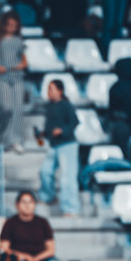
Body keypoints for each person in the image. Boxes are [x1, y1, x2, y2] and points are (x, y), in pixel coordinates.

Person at [0, 10, 27, 152]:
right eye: (9, 25)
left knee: (17, 109)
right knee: (5, 107)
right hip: (2, 76)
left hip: (16, 76)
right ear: (3, 24)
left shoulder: (19, 40)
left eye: (14, 26)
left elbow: (24, 58)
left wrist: (21, 65)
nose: (11, 28)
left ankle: (15, 140)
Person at [39, 79, 79, 215]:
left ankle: (70, 208)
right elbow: (49, 128)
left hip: (67, 144)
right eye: (48, 89)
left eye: (51, 88)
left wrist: (62, 131)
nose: (49, 92)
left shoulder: (66, 105)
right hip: (53, 145)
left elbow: (75, 122)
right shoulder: (49, 107)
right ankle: (49, 197)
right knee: (45, 171)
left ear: (60, 91)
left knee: (67, 177)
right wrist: (42, 134)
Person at [1, 191, 55, 261]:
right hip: (19, 259)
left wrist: (36, 259)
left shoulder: (43, 222)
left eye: (30, 202)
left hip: (41, 259)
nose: (27, 205)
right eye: (24, 202)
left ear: (35, 205)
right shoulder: (10, 223)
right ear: (17, 205)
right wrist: (25, 257)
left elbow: (51, 250)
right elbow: (4, 248)